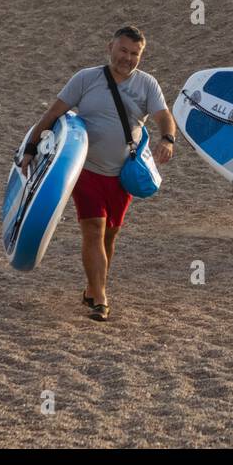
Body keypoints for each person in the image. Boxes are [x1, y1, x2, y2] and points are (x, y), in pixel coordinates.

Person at [18, 25, 175, 321]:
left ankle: (93, 287)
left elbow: (163, 115)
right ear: (110, 47)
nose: (128, 58)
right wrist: (30, 148)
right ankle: (101, 299)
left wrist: (167, 138)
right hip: (86, 169)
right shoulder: (86, 79)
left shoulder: (147, 84)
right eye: (123, 50)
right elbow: (52, 114)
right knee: (93, 228)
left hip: (122, 174)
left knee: (110, 236)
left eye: (135, 54)